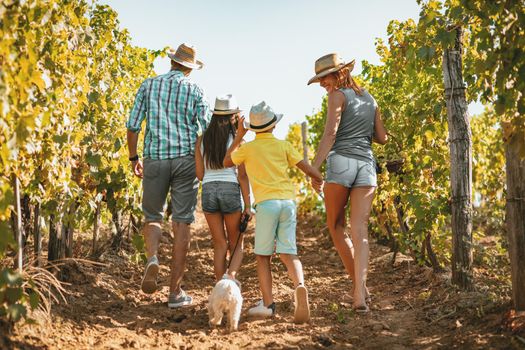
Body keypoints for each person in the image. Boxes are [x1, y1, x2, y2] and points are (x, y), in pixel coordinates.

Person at [126, 43, 211, 308]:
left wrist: (134, 158)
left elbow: (132, 125)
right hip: (185, 160)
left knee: (153, 216)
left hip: (155, 158)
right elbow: (207, 128)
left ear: (173, 62)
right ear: (189, 68)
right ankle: (175, 293)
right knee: (182, 222)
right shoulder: (195, 90)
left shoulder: (148, 85)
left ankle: (152, 258)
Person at [223, 101, 323, 323]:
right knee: (289, 252)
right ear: (274, 126)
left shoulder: (247, 149)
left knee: (263, 256)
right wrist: (319, 178)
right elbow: (305, 167)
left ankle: (268, 304)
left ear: (253, 128)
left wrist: (239, 136)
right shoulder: (284, 146)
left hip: (266, 205)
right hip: (287, 203)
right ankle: (300, 286)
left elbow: (226, 161)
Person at [307, 53, 388, 313]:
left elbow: (330, 133)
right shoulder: (371, 98)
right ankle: (360, 295)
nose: (322, 84)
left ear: (339, 73)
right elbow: (382, 138)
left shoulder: (337, 96)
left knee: (336, 226)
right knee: (360, 232)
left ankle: (359, 288)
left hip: (341, 162)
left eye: (324, 78)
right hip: (366, 166)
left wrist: (314, 170)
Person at [195, 94, 252, 283]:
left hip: (209, 190)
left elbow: (200, 175)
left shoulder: (202, 140)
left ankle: (220, 284)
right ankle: (231, 277)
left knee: (219, 244)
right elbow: (242, 176)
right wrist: (248, 205)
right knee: (236, 243)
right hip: (230, 189)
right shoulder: (238, 142)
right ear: (234, 116)